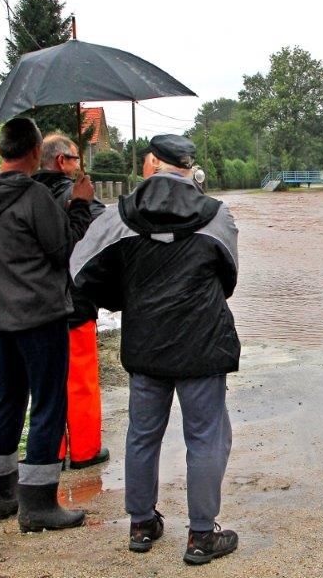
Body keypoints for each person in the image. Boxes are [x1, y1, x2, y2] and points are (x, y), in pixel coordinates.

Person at [70, 134, 240, 564]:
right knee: (205, 438)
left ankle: (142, 523)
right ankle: (202, 536)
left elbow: (81, 270)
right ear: (188, 168)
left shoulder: (119, 216)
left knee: (143, 435)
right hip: (203, 345)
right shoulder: (216, 215)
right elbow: (230, 278)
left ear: (151, 163)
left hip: (146, 345)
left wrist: (124, 294)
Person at [0, 117, 95, 532]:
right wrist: (81, 204)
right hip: (42, 316)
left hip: (4, 322)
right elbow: (63, 251)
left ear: (1, 152)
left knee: (9, 402)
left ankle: (2, 494)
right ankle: (37, 503)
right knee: (49, 404)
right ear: (36, 153)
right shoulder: (34, 197)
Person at [33, 133, 110, 470]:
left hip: (34, 306)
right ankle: (84, 450)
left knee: (45, 383)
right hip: (74, 302)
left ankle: (52, 448)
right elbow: (104, 231)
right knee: (80, 380)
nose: (81, 164)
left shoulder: (29, 195)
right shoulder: (77, 197)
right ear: (62, 161)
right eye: (77, 157)